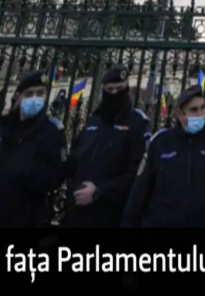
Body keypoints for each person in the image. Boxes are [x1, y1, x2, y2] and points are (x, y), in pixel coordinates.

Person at [121, 84, 205, 228]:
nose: (200, 114)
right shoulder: (160, 142)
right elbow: (139, 192)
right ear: (179, 114)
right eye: (194, 110)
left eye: (203, 108)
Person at [0, 71, 68, 227]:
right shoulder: (3, 127)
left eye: (40, 93)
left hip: (22, 218)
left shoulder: (52, 132)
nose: (35, 98)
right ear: (18, 97)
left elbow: (57, 174)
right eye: (29, 94)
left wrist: (25, 170)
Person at [62, 66, 150, 227]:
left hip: (109, 215)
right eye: (110, 89)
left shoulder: (137, 123)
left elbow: (137, 174)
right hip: (77, 212)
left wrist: (98, 193)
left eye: (119, 89)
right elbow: (75, 158)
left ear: (127, 88)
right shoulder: (94, 121)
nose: (114, 93)